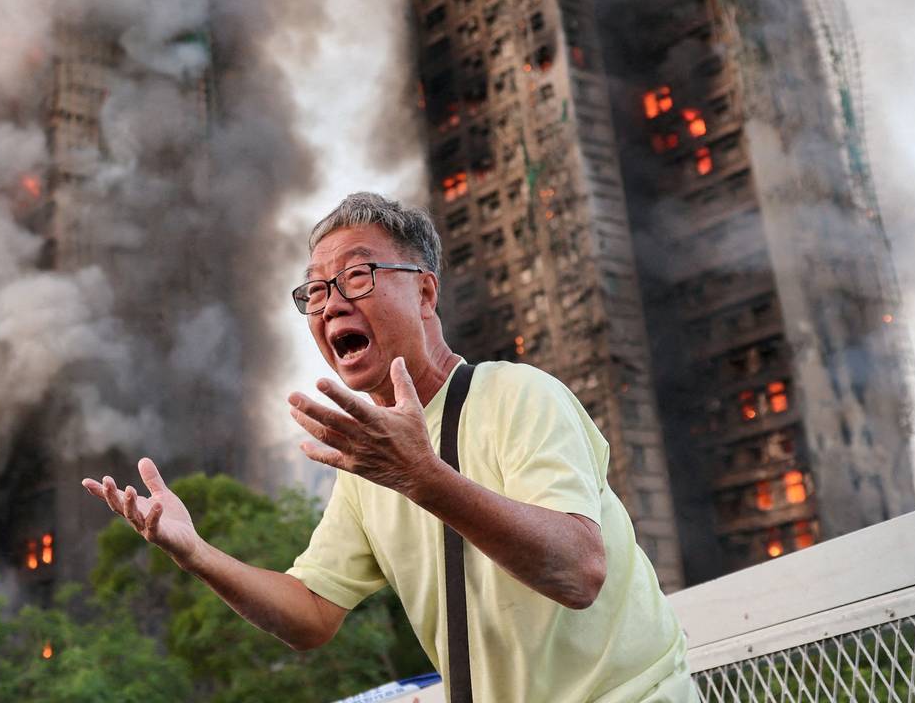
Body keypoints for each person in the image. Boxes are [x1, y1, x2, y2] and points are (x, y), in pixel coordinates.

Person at [83, 192, 695, 701]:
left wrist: (421, 476)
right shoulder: (368, 470)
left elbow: (579, 570)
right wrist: (196, 554)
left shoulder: (519, 395)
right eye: (315, 292)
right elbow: (311, 614)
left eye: (356, 275)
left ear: (426, 292)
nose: (331, 303)